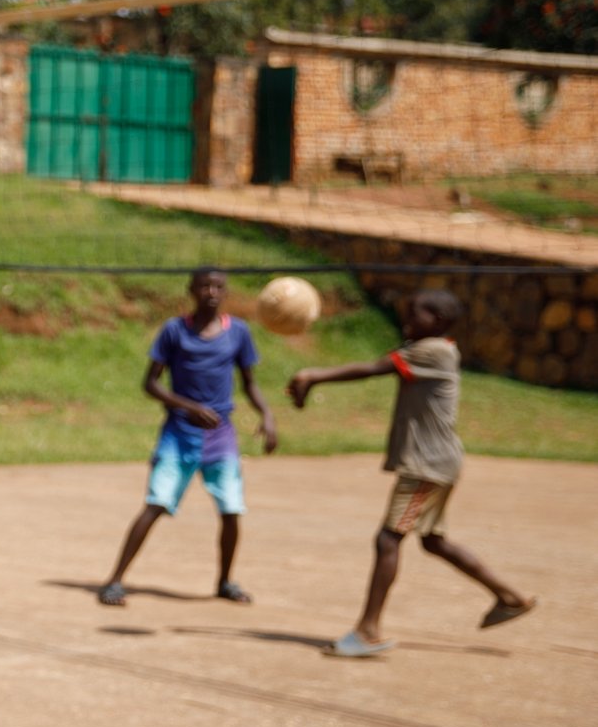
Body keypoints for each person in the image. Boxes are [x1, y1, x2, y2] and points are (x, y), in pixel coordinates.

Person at [287, 288, 536, 658]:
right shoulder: (436, 349)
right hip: (437, 462)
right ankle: (509, 596)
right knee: (433, 541)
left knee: (388, 540)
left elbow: (373, 368)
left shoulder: (431, 350)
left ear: (437, 321)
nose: (405, 320)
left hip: (427, 466)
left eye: (414, 314)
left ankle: (368, 630)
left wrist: (312, 374)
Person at [99, 267, 277, 607]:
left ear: (226, 293)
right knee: (155, 504)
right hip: (179, 433)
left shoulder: (238, 332)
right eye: (205, 286)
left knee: (231, 509)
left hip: (221, 435)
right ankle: (115, 580)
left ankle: (225, 581)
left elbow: (250, 383)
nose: (212, 292)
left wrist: (267, 416)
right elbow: (150, 384)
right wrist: (188, 406)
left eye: (219, 286)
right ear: (191, 290)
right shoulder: (174, 331)